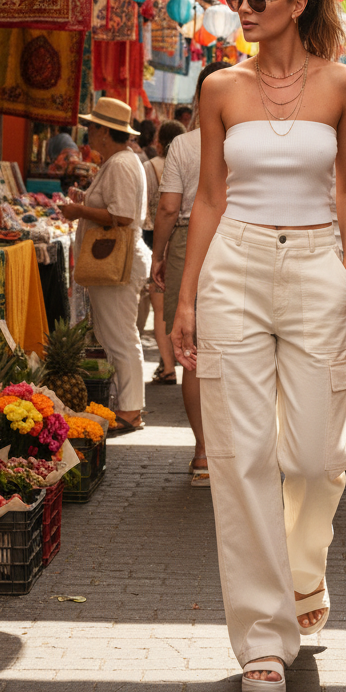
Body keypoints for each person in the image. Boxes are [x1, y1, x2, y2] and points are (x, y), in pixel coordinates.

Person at [171, 0, 346, 692]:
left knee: (317, 459)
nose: (242, 9)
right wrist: (186, 297)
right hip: (235, 270)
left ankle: (302, 578)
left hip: (318, 267)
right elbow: (209, 199)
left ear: (298, 3)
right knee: (242, 456)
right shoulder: (219, 88)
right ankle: (262, 638)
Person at [150, 67, 231, 481]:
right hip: (239, 241)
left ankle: (203, 453)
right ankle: (235, 452)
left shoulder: (183, 144)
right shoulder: (248, 138)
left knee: (193, 356)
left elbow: (168, 208)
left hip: (187, 241)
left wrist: (158, 254)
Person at [59, 98, 150, 434]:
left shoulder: (121, 164)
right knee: (118, 334)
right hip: (120, 261)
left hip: (120, 262)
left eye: (92, 127)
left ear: (104, 132)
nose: (88, 133)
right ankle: (127, 406)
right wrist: (86, 203)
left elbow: (122, 216)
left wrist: (80, 212)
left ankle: (130, 410)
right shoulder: (121, 162)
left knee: (120, 335)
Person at [146, 120, 186, 387]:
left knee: (161, 306)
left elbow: (164, 208)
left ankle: (168, 365)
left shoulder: (154, 166)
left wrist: (157, 255)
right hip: (196, 232)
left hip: (162, 235)